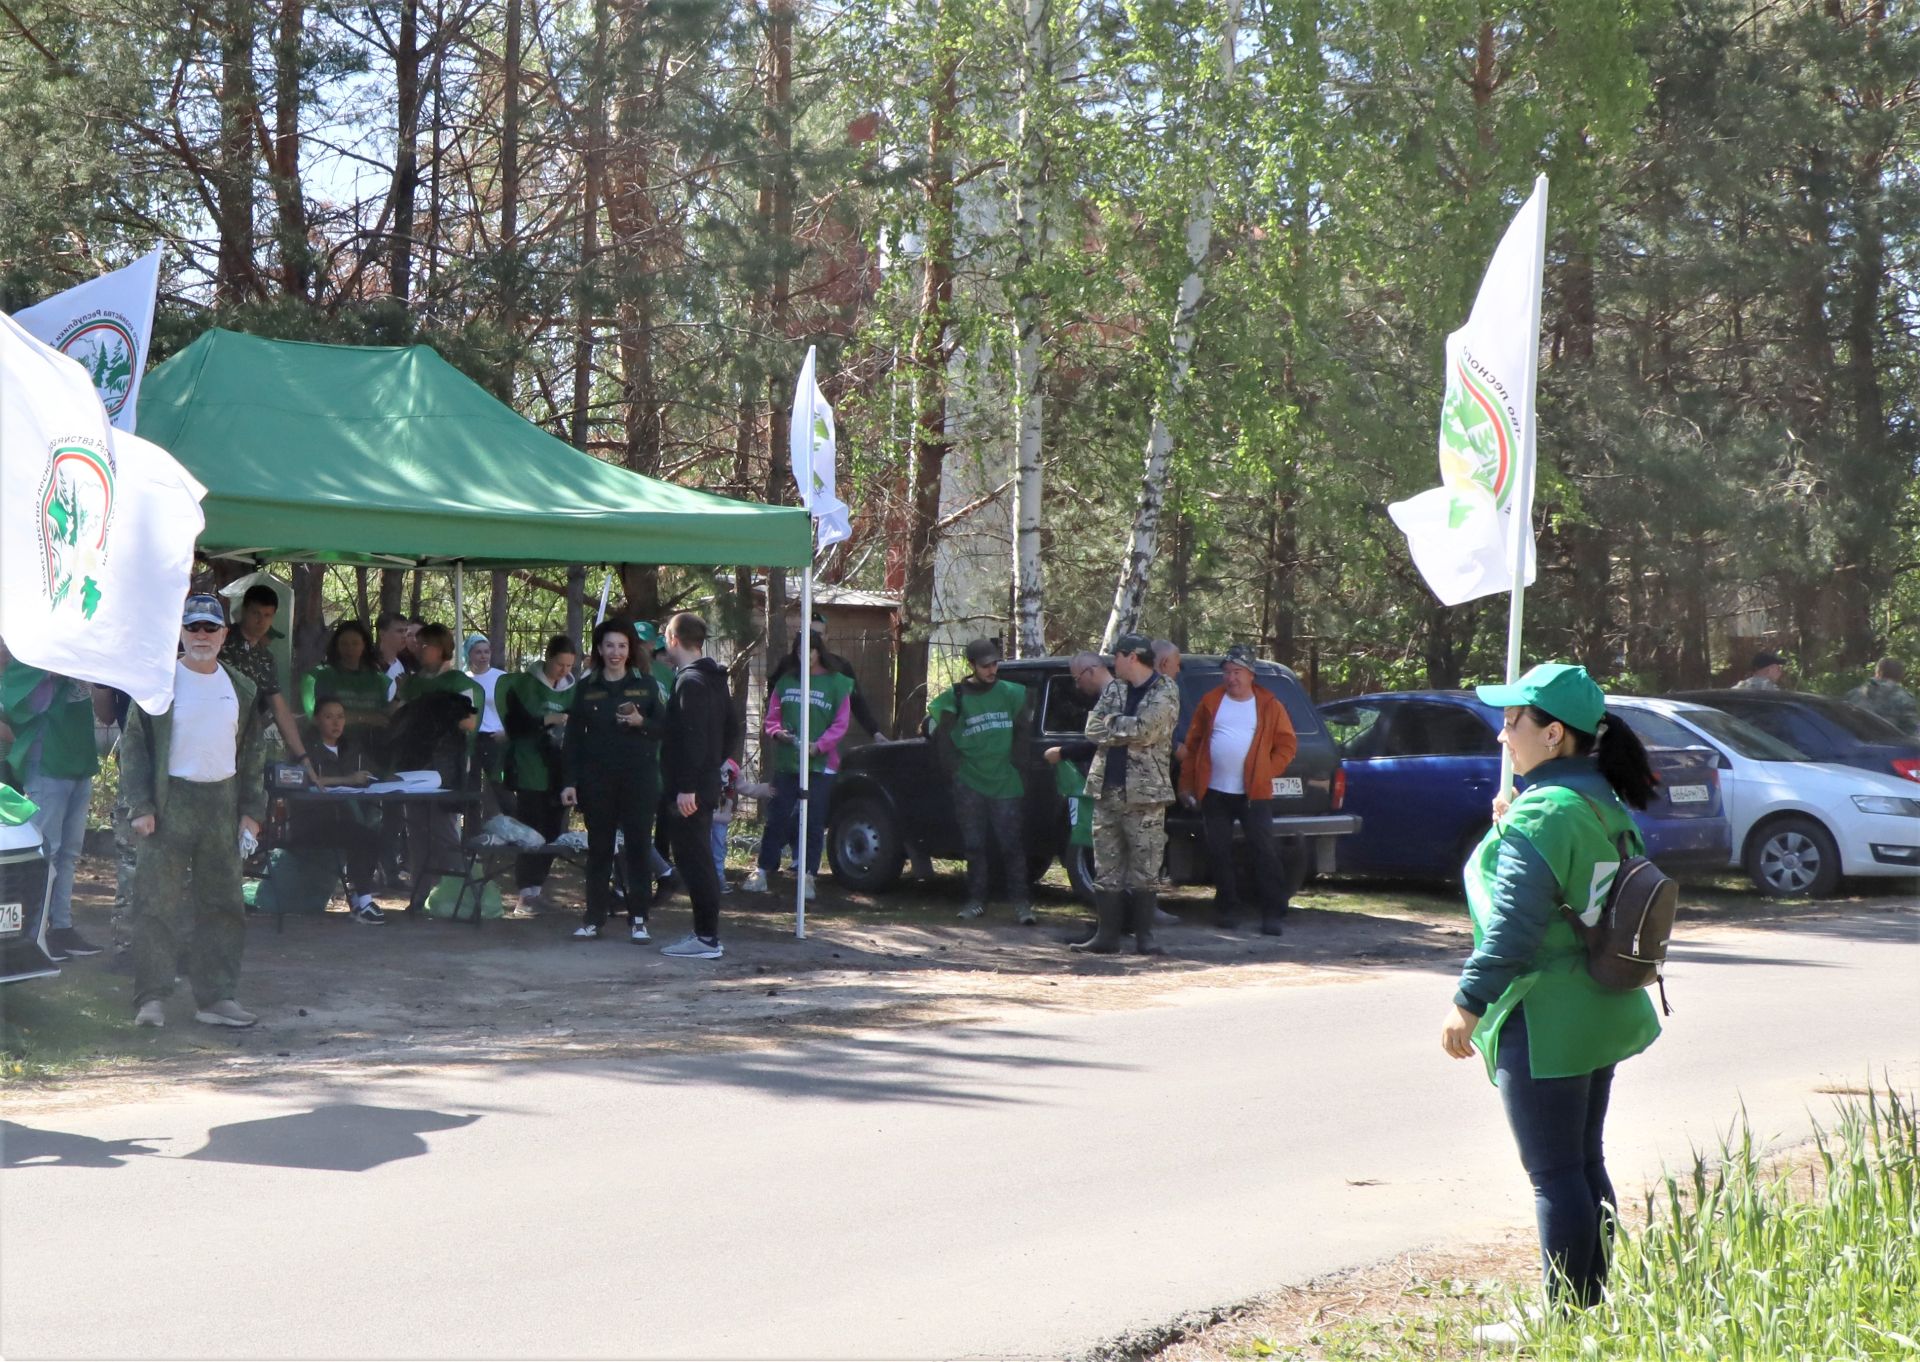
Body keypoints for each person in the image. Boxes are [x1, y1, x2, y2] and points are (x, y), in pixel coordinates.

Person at [1438, 663, 1662, 1344]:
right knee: (1583, 1162)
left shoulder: (1547, 809)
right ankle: (1590, 1309)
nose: (1503, 734)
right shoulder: (1600, 802)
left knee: (1554, 1174)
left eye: (1513, 721)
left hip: (1547, 1013)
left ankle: (1563, 1320)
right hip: (1600, 1004)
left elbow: (1512, 929)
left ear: (1553, 732)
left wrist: (1467, 1003)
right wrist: (1513, 823)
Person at [123, 595, 268, 1028]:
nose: (201, 636)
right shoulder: (159, 684)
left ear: (224, 634)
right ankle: (151, 999)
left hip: (221, 805)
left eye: (210, 628)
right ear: (180, 633)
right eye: (193, 628)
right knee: (156, 903)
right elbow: (133, 748)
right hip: (170, 806)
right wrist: (142, 806)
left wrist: (252, 812)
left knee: (223, 904)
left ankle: (217, 998)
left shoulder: (241, 687)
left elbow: (254, 753)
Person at [1178, 645, 1298, 934]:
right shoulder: (1210, 702)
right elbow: (1193, 748)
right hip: (1215, 792)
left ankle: (1272, 912)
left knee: (1264, 851)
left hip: (1253, 794)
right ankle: (1227, 907)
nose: (1231, 678)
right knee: (1219, 851)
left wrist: (1266, 770)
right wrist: (1186, 785)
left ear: (1250, 674)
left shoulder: (1269, 705)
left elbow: (1286, 745)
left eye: (1237, 672)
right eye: (1227, 672)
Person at [1072, 634, 1179, 954]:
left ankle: (1145, 939)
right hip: (1106, 789)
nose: (1110, 663)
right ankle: (1106, 937)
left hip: (1144, 794)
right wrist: (1121, 726)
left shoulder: (1165, 690)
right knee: (1106, 866)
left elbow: (1147, 731)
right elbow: (1092, 728)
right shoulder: (1116, 689)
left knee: (1145, 866)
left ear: (1132, 657)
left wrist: (1112, 724)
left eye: (1115, 656)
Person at [560, 621, 665, 941]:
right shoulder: (587, 685)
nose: (615, 653)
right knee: (600, 850)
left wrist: (640, 722)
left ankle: (639, 919)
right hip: (598, 780)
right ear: (599, 649)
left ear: (630, 649)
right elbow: (573, 739)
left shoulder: (646, 685)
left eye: (621, 646)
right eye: (609, 646)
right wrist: (570, 782)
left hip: (639, 778)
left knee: (637, 848)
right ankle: (593, 918)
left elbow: (664, 728)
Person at [0, 659, 104, 959]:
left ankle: (61, 928)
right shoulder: (36, 655)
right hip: (48, 765)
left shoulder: (81, 651)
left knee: (69, 854)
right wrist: (52, 668)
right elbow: (18, 702)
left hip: (80, 763)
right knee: (46, 853)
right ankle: (36, 932)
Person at [928, 637, 1035, 923]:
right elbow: (943, 738)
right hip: (969, 781)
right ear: (972, 665)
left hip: (1006, 781)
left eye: (995, 663)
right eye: (986, 665)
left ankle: (1022, 904)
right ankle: (976, 900)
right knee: (974, 845)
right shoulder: (956, 696)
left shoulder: (1012, 693)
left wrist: (1019, 769)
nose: (992, 669)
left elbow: (1024, 735)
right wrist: (954, 771)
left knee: (1012, 844)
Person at [744, 631, 852, 901]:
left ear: (819, 651)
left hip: (821, 764)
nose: (807, 655)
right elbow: (773, 717)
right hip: (788, 761)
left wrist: (820, 745)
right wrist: (777, 732)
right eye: (801, 650)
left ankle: (808, 876)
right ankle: (763, 871)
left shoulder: (837, 684)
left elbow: (840, 723)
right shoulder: (786, 682)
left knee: (813, 820)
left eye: (812, 650)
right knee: (778, 815)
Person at [659, 612, 739, 959]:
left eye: (665, 636)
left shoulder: (691, 681)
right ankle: (705, 934)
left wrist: (689, 784)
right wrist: (713, 766)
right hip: (704, 783)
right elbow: (734, 729)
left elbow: (691, 738)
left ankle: (706, 937)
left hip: (690, 788)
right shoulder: (715, 678)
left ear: (674, 638)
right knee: (697, 858)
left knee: (695, 860)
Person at [392, 624, 484, 913]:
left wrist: (432, 713)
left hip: (447, 766)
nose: (420, 649)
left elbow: (469, 723)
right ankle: (419, 895)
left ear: (442, 647)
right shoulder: (413, 682)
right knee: (417, 831)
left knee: (444, 831)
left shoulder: (459, 681)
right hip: (414, 765)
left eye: (427, 645)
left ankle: (467, 895)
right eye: (417, 644)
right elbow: (396, 716)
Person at [500, 635, 578, 916]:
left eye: (569, 666)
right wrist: (547, 720)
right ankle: (524, 893)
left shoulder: (572, 689)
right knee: (531, 831)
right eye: (560, 664)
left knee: (553, 831)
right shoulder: (524, 685)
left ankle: (536, 889)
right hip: (530, 767)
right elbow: (514, 725)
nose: (564, 671)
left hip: (558, 771)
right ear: (548, 658)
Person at [290, 695, 385, 923]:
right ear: (316, 720)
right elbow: (303, 781)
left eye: (341, 717)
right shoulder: (306, 751)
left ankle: (360, 898)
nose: (336, 723)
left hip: (343, 820)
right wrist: (347, 779)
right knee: (360, 837)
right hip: (311, 823)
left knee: (371, 837)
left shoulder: (351, 748)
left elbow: (372, 773)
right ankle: (363, 901)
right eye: (329, 717)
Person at [220, 584, 319, 782]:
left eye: (267, 615)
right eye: (256, 613)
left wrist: (303, 758)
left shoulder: (265, 658)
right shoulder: (221, 641)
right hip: (214, 736)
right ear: (244, 611)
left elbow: (280, 709)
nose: (261, 621)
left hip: (247, 745)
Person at [300, 620, 393, 725]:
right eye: (344, 644)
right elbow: (324, 717)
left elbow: (385, 716)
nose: (350, 649)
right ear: (337, 646)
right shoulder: (324, 676)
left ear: (364, 646)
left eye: (355, 643)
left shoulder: (377, 679)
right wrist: (365, 718)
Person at [464, 634, 511, 807]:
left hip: (494, 738)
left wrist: (508, 731)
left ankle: (512, 828)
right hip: (471, 739)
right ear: (469, 654)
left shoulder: (501, 678)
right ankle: (472, 831)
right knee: (471, 791)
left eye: (486, 652)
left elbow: (513, 709)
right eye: (478, 652)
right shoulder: (463, 679)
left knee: (501, 789)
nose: (483, 656)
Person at [1849, 657, 1919, 738]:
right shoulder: (1905, 699)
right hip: (1887, 748)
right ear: (1901, 676)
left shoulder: (1854, 694)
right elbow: (1912, 734)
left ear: (1877, 672)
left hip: (1850, 747)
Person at [376, 611, 415, 683]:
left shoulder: (404, 665)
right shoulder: (370, 665)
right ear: (382, 634)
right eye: (399, 631)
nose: (404, 635)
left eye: (405, 631)